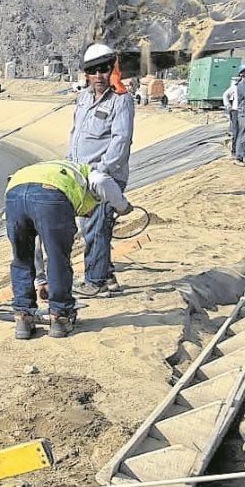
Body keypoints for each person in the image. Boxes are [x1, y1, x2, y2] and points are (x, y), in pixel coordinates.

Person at [6, 159, 132, 339]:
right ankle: (60, 317)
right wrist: (122, 206)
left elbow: (32, 249)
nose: (87, 213)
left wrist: (40, 279)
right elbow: (103, 182)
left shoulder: (57, 169)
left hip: (14, 195)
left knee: (21, 258)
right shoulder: (89, 174)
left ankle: (23, 317)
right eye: (93, 203)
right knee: (58, 259)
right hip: (51, 197)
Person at [68, 43, 135, 298]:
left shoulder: (121, 100)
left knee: (96, 228)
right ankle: (107, 276)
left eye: (104, 69)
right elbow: (76, 135)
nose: (99, 76)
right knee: (93, 227)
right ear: (86, 73)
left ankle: (95, 282)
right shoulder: (84, 98)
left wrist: (101, 173)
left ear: (112, 69)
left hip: (104, 178)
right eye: (93, 70)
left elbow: (121, 141)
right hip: (81, 174)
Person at [222, 74, 241, 158]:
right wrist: (228, 106)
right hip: (236, 111)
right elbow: (225, 95)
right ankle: (234, 152)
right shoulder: (236, 87)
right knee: (236, 132)